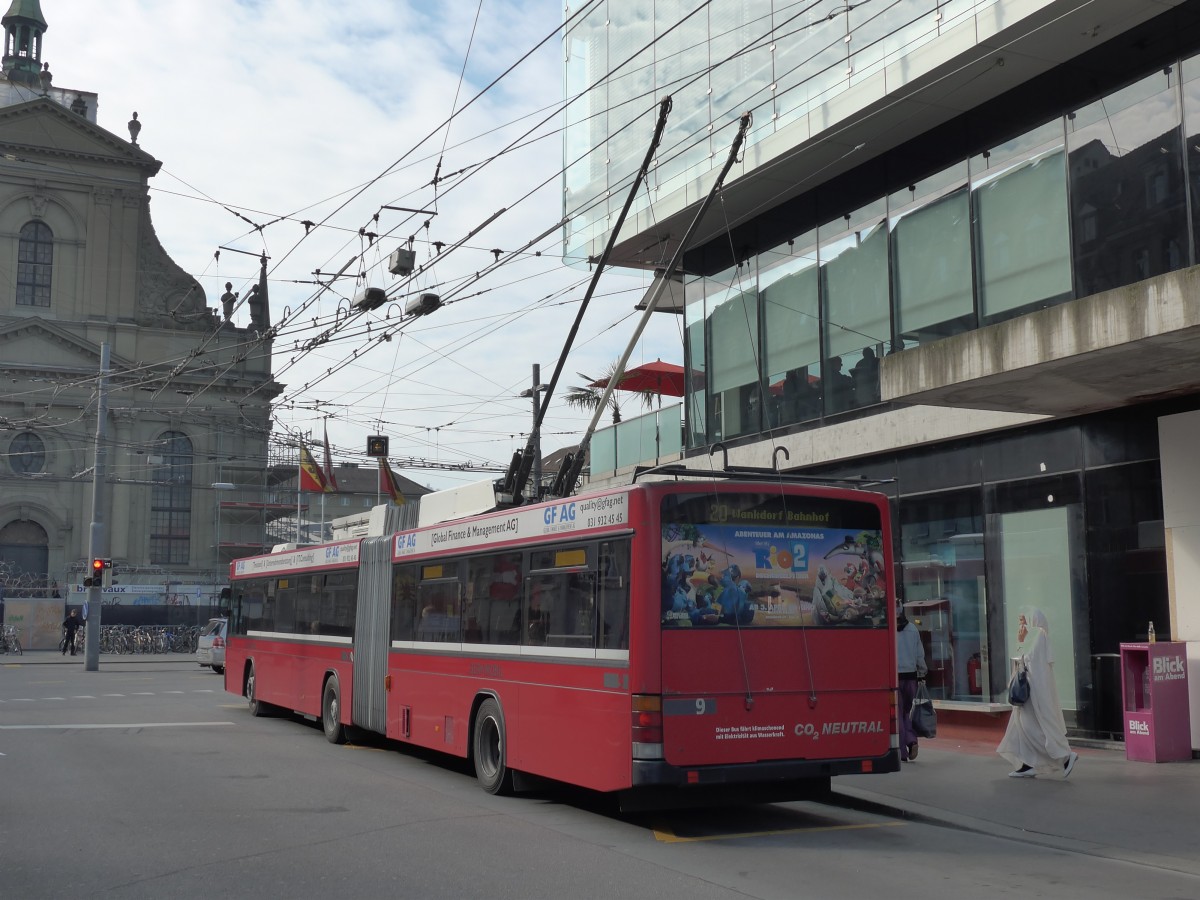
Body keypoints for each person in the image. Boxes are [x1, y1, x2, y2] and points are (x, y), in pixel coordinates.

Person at [997, 608, 1079, 778]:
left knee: (1033, 729)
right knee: (1021, 728)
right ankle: (1028, 764)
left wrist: (1021, 643)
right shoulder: (1032, 638)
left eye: (1024, 621)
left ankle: (1064, 756)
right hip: (1028, 694)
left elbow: (1030, 662)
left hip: (1033, 694)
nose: (1021, 625)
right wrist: (1020, 641)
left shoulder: (1039, 636)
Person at [896, 601, 927, 761]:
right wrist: (922, 672)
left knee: (898, 714)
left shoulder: (887, 631)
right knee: (908, 712)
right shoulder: (913, 629)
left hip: (895, 679)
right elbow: (919, 654)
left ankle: (902, 750)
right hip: (911, 677)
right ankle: (912, 739)